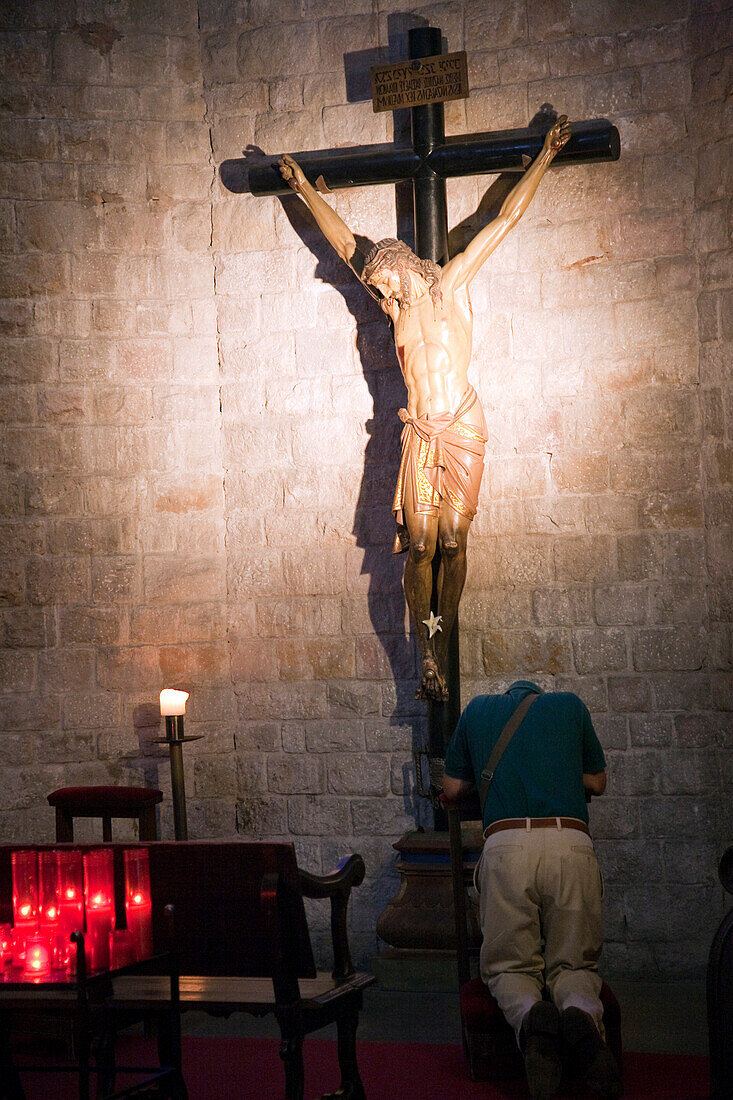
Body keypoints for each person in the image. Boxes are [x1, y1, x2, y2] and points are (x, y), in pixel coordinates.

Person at [278, 116, 571, 704]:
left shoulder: (453, 284)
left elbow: (504, 220)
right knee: (419, 544)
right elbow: (344, 246)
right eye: (379, 292)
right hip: (420, 433)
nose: (382, 300)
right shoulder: (397, 309)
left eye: (386, 289)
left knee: (455, 542)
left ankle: (444, 628)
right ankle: (428, 654)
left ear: (407, 267)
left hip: (460, 424)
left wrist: (544, 155)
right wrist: (305, 188)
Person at [442, 680, 620, 1100]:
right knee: (575, 963)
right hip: (570, 844)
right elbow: (598, 782)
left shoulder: (478, 709)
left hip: (507, 847)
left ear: (507, 694)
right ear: (538, 693)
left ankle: (531, 1019)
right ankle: (579, 1016)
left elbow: (451, 789)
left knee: (510, 967)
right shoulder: (572, 706)